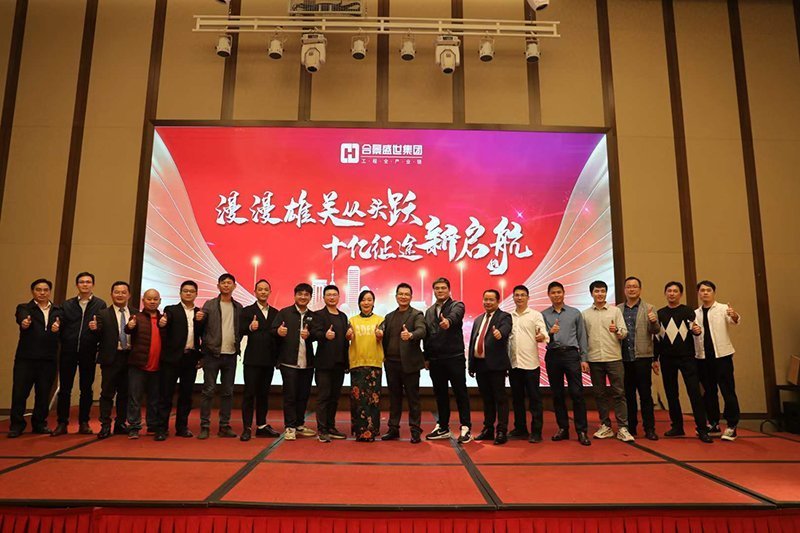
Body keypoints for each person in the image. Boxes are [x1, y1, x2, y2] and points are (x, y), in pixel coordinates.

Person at [654, 281, 712, 443]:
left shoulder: (688, 311)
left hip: (687, 358)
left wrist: (697, 331)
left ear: (680, 294)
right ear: (665, 293)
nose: (672, 294)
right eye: (669, 291)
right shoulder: (660, 314)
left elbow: (695, 330)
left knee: (694, 393)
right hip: (666, 358)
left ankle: (702, 429)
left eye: (675, 291)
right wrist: (654, 359)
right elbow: (657, 338)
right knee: (671, 394)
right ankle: (677, 426)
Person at [52, 272, 106, 436]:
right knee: (65, 389)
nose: (85, 284)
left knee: (86, 389)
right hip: (68, 351)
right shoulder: (67, 304)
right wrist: (57, 327)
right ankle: (62, 423)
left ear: (93, 285)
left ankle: (84, 422)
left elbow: (104, 328)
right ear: (77, 285)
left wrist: (97, 328)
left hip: (88, 351)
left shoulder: (100, 304)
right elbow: (59, 323)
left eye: (88, 282)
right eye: (82, 282)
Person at [8, 279, 61, 438]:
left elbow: (63, 327)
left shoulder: (58, 310)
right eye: (38, 290)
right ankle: (16, 425)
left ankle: (39, 423)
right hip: (26, 359)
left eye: (45, 290)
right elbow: (22, 319)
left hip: (48, 359)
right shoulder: (24, 308)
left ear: (50, 292)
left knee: (43, 394)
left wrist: (58, 328)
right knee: (20, 393)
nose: (42, 293)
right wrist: (24, 323)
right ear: (33, 291)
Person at [541, 281, 591, 446]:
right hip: (553, 355)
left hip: (571, 354)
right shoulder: (543, 315)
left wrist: (584, 359)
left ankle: (582, 430)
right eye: (553, 293)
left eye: (559, 292)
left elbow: (582, 336)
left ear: (564, 293)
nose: (556, 295)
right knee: (557, 394)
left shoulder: (575, 313)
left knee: (577, 393)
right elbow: (541, 336)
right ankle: (563, 428)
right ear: (549, 295)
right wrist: (549, 333)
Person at [423, 277, 472, 444]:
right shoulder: (429, 311)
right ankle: (443, 427)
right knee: (440, 394)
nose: (440, 291)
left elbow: (455, 317)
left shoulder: (457, 305)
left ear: (449, 290)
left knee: (460, 393)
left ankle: (465, 427)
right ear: (434, 291)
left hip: (454, 358)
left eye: (443, 288)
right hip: (435, 360)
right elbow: (427, 336)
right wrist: (426, 357)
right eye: (437, 288)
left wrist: (448, 322)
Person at [583, 280, 633, 442]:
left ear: (606, 293)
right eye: (597, 291)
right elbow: (583, 339)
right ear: (591, 293)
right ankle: (605, 426)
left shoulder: (615, 311)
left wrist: (617, 330)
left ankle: (623, 427)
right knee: (600, 394)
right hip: (594, 359)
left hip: (614, 358)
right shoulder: (585, 314)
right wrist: (584, 359)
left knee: (619, 393)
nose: (600, 294)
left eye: (603, 291)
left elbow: (624, 333)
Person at [196, 273, 243, 440]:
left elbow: (241, 329)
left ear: (234, 286)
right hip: (212, 354)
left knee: (228, 392)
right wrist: (199, 320)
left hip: (231, 355)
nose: (226, 285)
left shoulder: (238, 307)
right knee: (208, 391)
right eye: (223, 283)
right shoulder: (209, 305)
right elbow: (201, 328)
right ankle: (205, 426)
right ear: (218, 286)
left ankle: (224, 425)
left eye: (229, 283)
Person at [156, 280, 203, 440]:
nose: (188, 293)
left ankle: (182, 427)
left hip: (190, 358)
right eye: (185, 291)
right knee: (166, 394)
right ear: (180, 293)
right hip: (172, 358)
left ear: (196, 294)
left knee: (186, 395)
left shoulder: (199, 313)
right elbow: (164, 323)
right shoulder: (171, 310)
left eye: (191, 291)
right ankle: (161, 428)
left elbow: (202, 335)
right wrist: (162, 323)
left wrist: (200, 322)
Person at [695, 280, 741, 441]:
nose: (705, 293)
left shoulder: (723, 309)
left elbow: (734, 320)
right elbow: (695, 334)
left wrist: (734, 315)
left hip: (722, 356)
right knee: (709, 392)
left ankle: (732, 425)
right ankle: (713, 423)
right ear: (698, 293)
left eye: (708, 290)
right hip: (703, 358)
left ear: (714, 292)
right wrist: (694, 330)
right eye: (702, 290)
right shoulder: (695, 313)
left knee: (727, 390)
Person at [380, 283, 426, 444]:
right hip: (391, 364)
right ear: (396, 296)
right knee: (394, 398)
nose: (403, 297)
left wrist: (411, 335)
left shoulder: (417, 314)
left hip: (410, 364)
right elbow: (383, 335)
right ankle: (393, 428)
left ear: (411, 297)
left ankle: (415, 430)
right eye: (400, 294)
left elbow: (422, 330)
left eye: (406, 294)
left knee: (413, 399)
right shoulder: (389, 316)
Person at [272, 283, 317, 440]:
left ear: (310, 297)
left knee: (303, 395)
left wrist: (310, 335)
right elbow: (272, 331)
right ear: (295, 295)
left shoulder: (313, 316)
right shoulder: (284, 313)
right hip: (288, 362)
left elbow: (318, 334)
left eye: (306, 294)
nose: (303, 297)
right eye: (300, 294)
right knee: (290, 396)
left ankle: (299, 424)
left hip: (307, 363)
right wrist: (278, 331)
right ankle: (290, 427)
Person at [468, 289, 512, 445]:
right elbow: (473, 342)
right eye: (485, 299)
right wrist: (471, 365)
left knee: (500, 399)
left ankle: (501, 431)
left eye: (491, 299)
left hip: (496, 365)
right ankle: (488, 429)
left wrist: (500, 333)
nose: (487, 302)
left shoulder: (504, 317)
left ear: (498, 301)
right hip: (480, 365)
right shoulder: (478, 319)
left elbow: (505, 330)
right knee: (486, 399)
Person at [93, 281, 136, 439]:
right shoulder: (102, 314)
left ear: (129, 295)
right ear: (111, 294)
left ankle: (120, 424)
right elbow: (97, 336)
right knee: (107, 393)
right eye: (117, 292)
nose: (120, 295)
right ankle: (105, 425)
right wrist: (94, 329)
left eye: (123, 292)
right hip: (111, 358)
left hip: (130, 358)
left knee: (125, 393)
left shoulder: (136, 313)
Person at [620, 276, 662, 440]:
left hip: (643, 357)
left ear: (640, 289)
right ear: (624, 290)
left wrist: (654, 322)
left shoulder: (649, 308)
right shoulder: (618, 309)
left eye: (635, 286)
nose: (631, 289)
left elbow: (655, 331)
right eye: (629, 287)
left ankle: (649, 428)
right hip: (624, 358)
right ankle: (631, 427)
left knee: (645, 395)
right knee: (628, 395)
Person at [239, 279, 280, 442]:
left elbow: (278, 336)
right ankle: (247, 428)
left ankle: (262, 426)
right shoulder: (247, 311)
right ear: (255, 292)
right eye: (260, 289)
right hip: (252, 360)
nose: (263, 292)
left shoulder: (276, 313)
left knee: (264, 394)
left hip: (269, 360)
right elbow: (239, 330)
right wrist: (250, 327)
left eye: (266, 289)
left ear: (270, 292)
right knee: (249, 394)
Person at [508, 285, 549, 443]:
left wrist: (541, 336)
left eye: (522, 295)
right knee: (517, 399)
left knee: (534, 399)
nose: (519, 298)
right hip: (514, 364)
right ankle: (520, 428)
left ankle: (536, 431)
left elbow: (544, 333)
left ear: (528, 297)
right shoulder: (509, 316)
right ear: (513, 297)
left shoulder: (535, 315)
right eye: (517, 295)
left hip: (531, 364)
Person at [311, 285, 351, 443]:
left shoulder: (343, 316)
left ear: (339, 297)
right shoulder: (318, 315)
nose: (332, 297)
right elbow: (313, 334)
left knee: (334, 397)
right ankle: (322, 430)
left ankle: (331, 426)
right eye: (329, 295)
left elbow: (345, 341)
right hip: (324, 364)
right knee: (323, 397)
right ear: (324, 297)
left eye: (335, 294)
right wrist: (324, 335)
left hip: (339, 363)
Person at [123, 289, 163, 439]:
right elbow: (128, 330)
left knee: (154, 398)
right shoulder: (137, 317)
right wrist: (130, 326)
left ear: (160, 301)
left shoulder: (164, 319)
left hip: (158, 365)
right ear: (143, 300)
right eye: (149, 299)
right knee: (135, 397)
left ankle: (152, 424)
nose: (152, 302)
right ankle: (134, 426)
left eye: (155, 299)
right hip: (138, 364)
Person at [348, 290, 384, 442]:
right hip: (357, 363)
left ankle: (372, 430)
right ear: (359, 302)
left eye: (369, 299)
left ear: (373, 302)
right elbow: (348, 337)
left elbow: (383, 336)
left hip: (374, 363)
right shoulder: (352, 320)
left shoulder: (380, 320)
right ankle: (359, 431)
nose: (366, 302)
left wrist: (380, 335)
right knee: (358, 400)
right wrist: (348, 336)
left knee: (373, 400)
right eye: (363, 300)